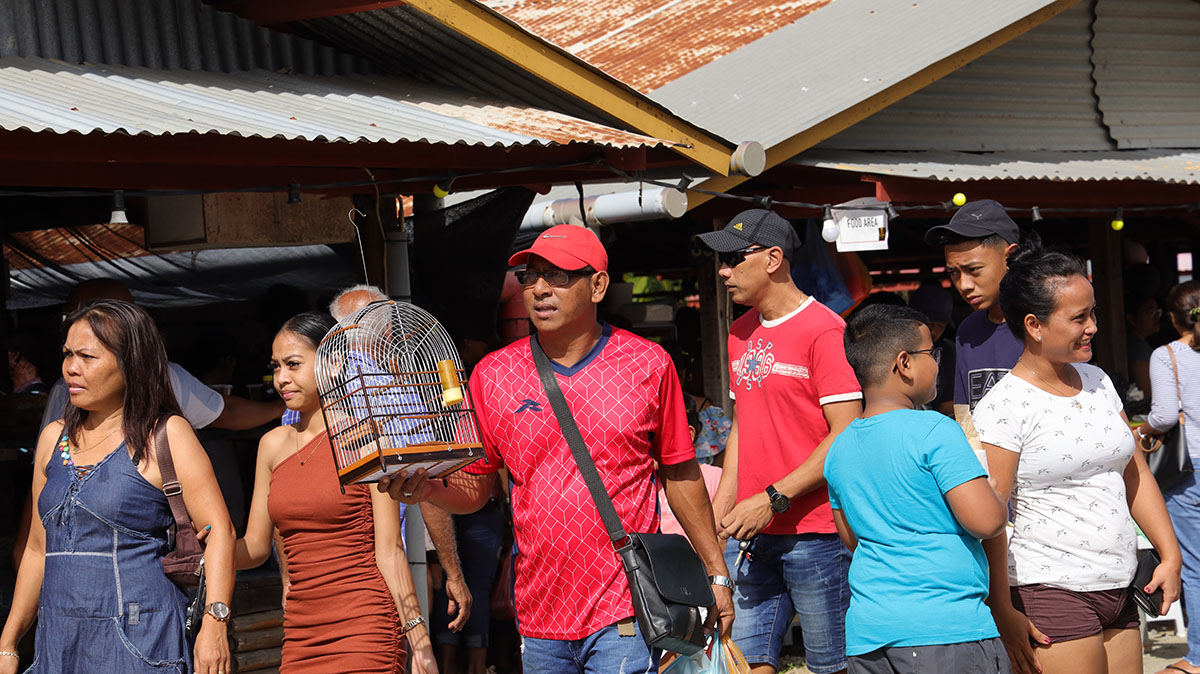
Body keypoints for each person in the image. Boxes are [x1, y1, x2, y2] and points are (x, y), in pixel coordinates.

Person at [379, 224, 735, 673]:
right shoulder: (492, 376)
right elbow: (477, 489)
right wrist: (427, 490)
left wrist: (717, 572)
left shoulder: (647, 365)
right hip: (540, 614)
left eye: (560, 275)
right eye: (530, 276)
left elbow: (681, 475)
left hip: (623, 604)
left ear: (598, 285)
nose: (540, 289)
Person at [972, 235, 1181, 674]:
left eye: (1093, 313)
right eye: (1079, 317)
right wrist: (1002, 607)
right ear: (1034, 325)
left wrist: (1170, 554)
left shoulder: (1099, 380)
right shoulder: (1004, 406)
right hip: (1047, 590)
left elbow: (1135, 473)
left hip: (1121, 584)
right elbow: (991, 516)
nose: (1093, 327)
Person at [0, 300, 235, 674]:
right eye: (67, 355)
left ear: (130, 364)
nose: (71, 369)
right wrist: (9, 643)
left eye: (87, 357)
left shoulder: (166, 434)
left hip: (142, 639)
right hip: (60, 640)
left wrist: (214, 624)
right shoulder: (52, 439)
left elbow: (220, 530)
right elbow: (35, 549)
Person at [698, 208, 862, 674]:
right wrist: (720, 511)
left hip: (816, 534)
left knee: (832, 666)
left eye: (733, 258)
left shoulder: (826, 330)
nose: (723, 271)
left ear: (773, 259)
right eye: (720, 261)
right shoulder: (738, 332)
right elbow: (742, 428)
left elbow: (846, 434)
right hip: (749, 534)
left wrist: (772, 499)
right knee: (746, 664)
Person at [218, 312, 426, 673]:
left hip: (365, 625)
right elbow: (254, 546)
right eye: (276, 367)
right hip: (301, 630)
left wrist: (420, 643)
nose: (281, 378)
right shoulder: (272, 445)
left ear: (333, 363)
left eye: (293, 365)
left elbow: (390, 551)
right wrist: (205, 555)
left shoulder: (367, 440)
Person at [826, 303, 1010, 674]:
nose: (939, 363)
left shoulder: (839, 448)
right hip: (946, 628)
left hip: (869, 631)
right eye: (933, 352)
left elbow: (851, 538)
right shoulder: (935, 430)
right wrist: (997, 492)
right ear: (905, 362)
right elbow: (987, 521)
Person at [924, 200, 1022, 459]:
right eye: (954, 273)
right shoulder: (967, 331)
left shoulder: (1043, 324)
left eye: (973, 270)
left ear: (1010, 257)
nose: (964, 285)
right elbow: (965, 415)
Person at [1137, 281, 1200, 674]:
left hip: (1189, 470)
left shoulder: (1168, 355)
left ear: (1173, 318)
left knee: (1192, 565)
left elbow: (1162, 416)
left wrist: (1140, 433)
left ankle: (1194, 656)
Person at [908, 280, 958, 417]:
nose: (934, 332)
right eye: (929, 325)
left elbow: (947, 405)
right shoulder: (894, 350)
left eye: (940, 326)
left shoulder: (946, 352)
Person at [1125, 293, 1161, 402]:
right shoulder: (1138, 347)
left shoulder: (1140, 344)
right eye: (1149, 312)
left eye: (1157, 312)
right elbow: (1147, 392)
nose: (1156, 317)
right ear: (1132, 319)